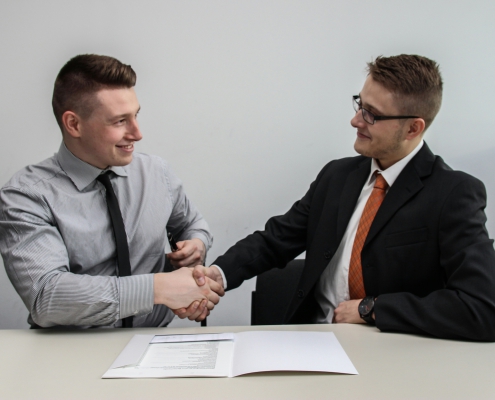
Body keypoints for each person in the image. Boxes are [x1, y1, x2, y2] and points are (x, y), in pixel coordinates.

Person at [179, 54, 495, 341]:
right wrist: (215, 276)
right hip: (312, 344)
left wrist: (372, 309)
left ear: (413, 128)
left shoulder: (453, 194)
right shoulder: (337, 176)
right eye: (360, 105)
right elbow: (275, 240)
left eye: (372, 115)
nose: (356, 120)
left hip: (393, 356)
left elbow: (482, 308)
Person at [0, 54, 223, 328]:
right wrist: (157, 288)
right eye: (119, 121)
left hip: (153, 344)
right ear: (74, 124)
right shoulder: (26, 196)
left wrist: (195, 245)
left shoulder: (157, 172)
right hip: (69, 355)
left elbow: (192, 224)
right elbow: (48, 297)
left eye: (136, 115)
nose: (137, 133)